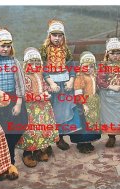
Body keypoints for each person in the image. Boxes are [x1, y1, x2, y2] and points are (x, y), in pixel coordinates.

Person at [40, 19, 93, 152]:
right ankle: (58, 138)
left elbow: (71, 67)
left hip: (66, 85)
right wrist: (51, 82)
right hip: (52, 85)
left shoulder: (66, 50)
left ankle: (79, 139)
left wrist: (71, 80)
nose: (57, 38)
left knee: (71, 110)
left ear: (63, 36)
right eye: (54, 35)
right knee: (55, 113)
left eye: (60, 35)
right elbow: (43, 68)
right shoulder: (44, 50)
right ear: (49, 36)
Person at [0, 27, 28, 179]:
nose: (5, 49)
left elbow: (20, 83)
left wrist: (18, 103)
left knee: (19, 125)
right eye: (2, 45)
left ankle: (9, 162)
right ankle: (2, 166)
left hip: (13, 100)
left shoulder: (14, 61)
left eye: (8, 46)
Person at [16, 47, 59, 167]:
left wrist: (51, 88)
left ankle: (41, 149)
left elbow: (44, 87)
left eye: (37, 62)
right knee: (31, 131)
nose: (34, 65)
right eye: (31, 62)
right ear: (26, 63)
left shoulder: (40, 74)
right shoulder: (24, 77)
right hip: (32, 109)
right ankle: (28, 152)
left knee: (43, 129)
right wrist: (40, 97)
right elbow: (25, 95)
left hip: (44, 108)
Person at [73, 51, 101, 153]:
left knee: (92, 123)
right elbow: (78, 93)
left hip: (94, 102)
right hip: (84, 104)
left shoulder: (93, 76)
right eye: (86, 66)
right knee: (84, 124)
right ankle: (82, 144)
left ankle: (89, 142)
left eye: (91, 66)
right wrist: (83, 104)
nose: (88, 69)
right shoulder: (80, 77)